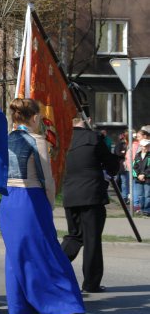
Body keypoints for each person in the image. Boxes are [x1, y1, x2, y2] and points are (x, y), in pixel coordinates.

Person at [0, 98, 84, 314]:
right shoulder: (38, 141)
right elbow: (47, 181)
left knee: (14, 256)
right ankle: (60, 306)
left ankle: (18, 312)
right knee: (46, 253)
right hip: (30, 199)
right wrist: (50, 205)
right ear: (35, 118)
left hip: (8, 202)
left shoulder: (4, 140)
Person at [61, 116, 119, 294]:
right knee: (91, 239)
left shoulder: (62, 138)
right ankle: (91, 283)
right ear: (88, 119)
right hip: (91, 195)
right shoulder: (94, 138)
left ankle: (52, 267)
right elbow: (112, 167)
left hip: (70, 194)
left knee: (74, 236)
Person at [132, 139, 150, 217]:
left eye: (147, 146)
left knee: (147, 195)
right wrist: (138, 175)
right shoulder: (137, 155)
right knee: (140, 195)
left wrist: (144, 174)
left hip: (148, 178)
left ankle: (147, 210)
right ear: (141, 146)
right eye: (144, 146)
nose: (145, 148)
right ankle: (142, 209)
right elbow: (134, 167)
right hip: (138, 179)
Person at [114, 132, 130, 204]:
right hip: (122, 166)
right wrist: (125, 153)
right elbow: (118, 153)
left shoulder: (128, 144)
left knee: (125, 182)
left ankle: (126, 196)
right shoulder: (120, 145)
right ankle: (124, 197)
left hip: (126, 165)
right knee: (123, 182)